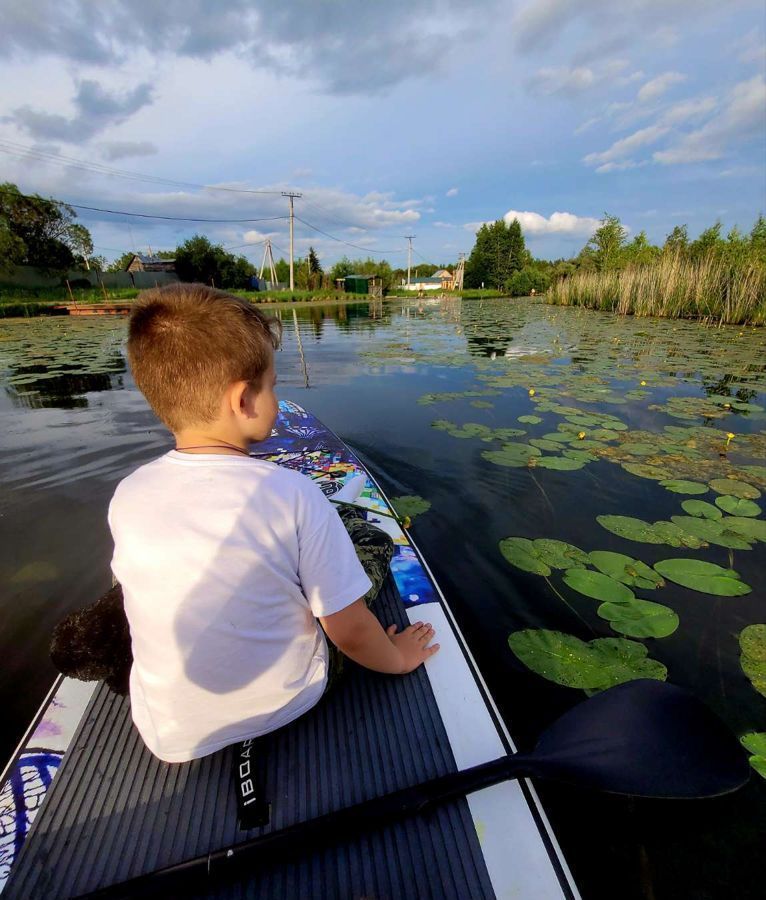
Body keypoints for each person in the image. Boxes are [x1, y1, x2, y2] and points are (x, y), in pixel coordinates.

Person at [108, 283, 439, 764]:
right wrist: (398, 660)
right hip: (287, 702)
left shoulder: (129, 494)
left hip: (166, 733)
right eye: (273, 384)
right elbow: (347, 632)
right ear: (243, 400)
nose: (276, 395)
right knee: (366, 538)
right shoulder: (293, 494)